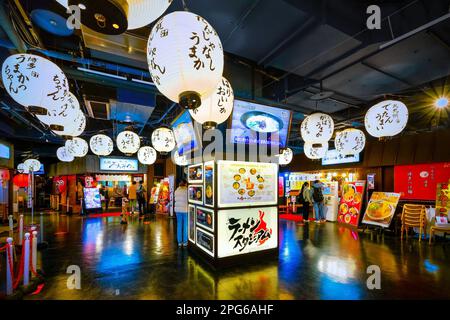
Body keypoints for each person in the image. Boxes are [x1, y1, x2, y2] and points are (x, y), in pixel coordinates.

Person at [174, 179, 188, 247]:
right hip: (185, 210)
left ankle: (179, 242)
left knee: (179, 225)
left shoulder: (176, 191)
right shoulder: (187, 191)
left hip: (177, 210)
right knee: (185, 225)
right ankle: (185, 242)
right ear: (185, 184)